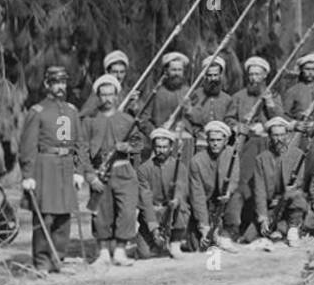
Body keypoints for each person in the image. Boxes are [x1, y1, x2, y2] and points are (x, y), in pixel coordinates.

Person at [19, 65, 86, 273]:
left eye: (63, 82)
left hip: (66, 168)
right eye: (56, 82)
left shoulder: (72, 111)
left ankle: (58, 259)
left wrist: (79, 171)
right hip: (45, 166)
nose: (60, 87)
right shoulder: (37, 111)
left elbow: (80, 144)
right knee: (45, 216)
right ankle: (41, 262)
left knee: (64, 216)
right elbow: (28, 146)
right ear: (47, 84)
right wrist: (28, 175)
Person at [82, 74, 140, 268]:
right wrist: (90, 176)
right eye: (103, 94)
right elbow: (81, 150)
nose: (107, 99)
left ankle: (121, 252)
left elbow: (139, 142)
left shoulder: (126, 119)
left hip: (123, 170)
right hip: (100, 172)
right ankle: (103, 252)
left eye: (111, 94)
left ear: (117, 96)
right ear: (97, 96)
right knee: (100, 212)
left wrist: (128, 148)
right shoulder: (89, 120)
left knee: (127, 211)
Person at [226, 55, 281, 242]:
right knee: (244, 184)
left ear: (265, 76)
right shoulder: (238, 97)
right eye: (251, 74)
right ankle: (235, 225)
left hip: (267, 144)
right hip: (247, 145)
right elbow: (229, 119)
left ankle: (263, 224)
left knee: (267, 184)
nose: (253, 78)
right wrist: (239, 127)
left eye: (258, 74)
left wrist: (269, 104)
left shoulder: (273, 95)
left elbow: (281, 121)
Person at [252, 117, 306, 248]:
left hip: (291, 201)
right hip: (271, 205)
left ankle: (293, 228)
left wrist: (285, 195)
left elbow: (298, 183)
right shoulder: (261, 159)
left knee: (297, 198)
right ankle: (279, 229)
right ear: (269, 137)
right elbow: (259, 190)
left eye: (282, 135)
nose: (279, 139)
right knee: (252, 234)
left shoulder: (297, 154)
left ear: (287, 135)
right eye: (275, 135)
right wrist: (263, 216)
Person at [137, 126, 190, 258]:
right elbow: (145, 200)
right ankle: (157, 240)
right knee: (145, 254)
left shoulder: (179, 167)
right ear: (154, 147)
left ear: (171, 148)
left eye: (165, 147)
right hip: (153, 212)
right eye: (158, 147)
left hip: (172, 210)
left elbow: (181, 188)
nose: (161, 150)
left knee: (181, 205)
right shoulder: (144, 169)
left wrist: (176, 200)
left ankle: (175, 242)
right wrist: (153, 228)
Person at [188, 119, 240, 250]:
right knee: (196, 245)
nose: (215, 144)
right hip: (206, 204)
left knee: (237, 196)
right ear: (207, 141)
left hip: (224, 201)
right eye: (212, 140)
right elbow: (197, 194)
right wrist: (204, 226)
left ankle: (227, 234)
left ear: (226, 141)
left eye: (219, 140)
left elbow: (234, 178)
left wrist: (228, 192)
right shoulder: (196, 161)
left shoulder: (232, 154)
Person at [80, 50, 130, 118]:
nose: (119, 76)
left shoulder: (128, 92)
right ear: (107, 72)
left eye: (122, 72)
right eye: (115, 72)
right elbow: (83, 116)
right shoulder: (99, 92)